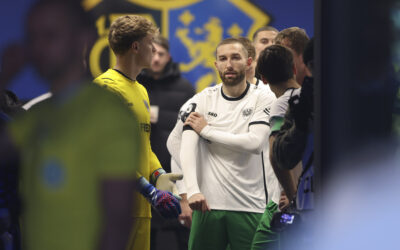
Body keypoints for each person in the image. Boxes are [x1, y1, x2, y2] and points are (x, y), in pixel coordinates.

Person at [3, 1, 141, 250]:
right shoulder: (39, 113)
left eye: (50, 35)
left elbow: (117, 224)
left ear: (82, 39)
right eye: (32, 37)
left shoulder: (108, 114)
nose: (38, 48)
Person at [168, 37, 275, 250]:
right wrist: (191, 190)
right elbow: (177, 143)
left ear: (249, 62)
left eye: (236, 57)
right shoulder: (202, 99)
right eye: (223, 59)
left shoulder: (264, 98)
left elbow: (254, 143)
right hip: (208, 206)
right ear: (215, 64)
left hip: (251, 205)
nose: (229, 64)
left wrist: (207, 131)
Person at [93, 15, 182, 250]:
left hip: (141, 210)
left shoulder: (141, 89)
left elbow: (144, 144)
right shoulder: (106, 88)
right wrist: (149, 190)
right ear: (136, 46)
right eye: (150, 42)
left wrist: (158, 173)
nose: (154, 48)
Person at [136, 35, 194, 250]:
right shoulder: (136, 85)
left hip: (174, 171)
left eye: (161, 54)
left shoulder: (185, 87)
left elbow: (193, 124)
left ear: (168, 57)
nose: (156, 58)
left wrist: (159, 116)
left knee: (182, 235)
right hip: (143, 170)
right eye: (153, 53)